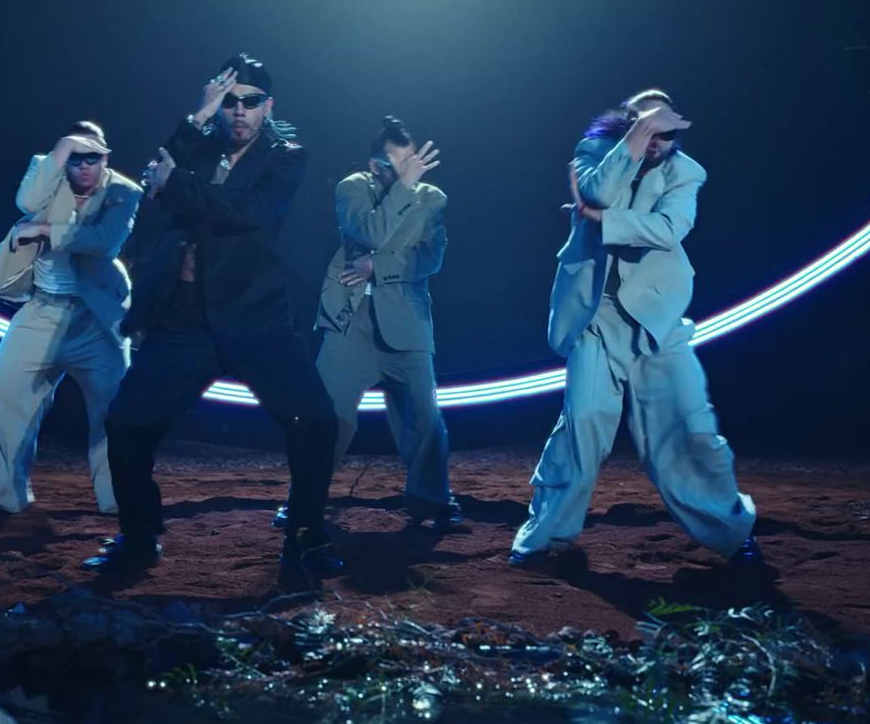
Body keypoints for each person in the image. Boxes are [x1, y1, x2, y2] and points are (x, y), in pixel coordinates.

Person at [93, 53, 343, 583]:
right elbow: (154, 179)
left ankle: (305, 535)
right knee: (125, 424)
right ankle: (138, 539)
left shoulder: (286, 155)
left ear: (268, 107)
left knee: (316, 422)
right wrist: (195, 116)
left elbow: (250, 211)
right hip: (185, 319)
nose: (239, 111)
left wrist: (177, 184)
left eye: (251, 102)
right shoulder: (201, 144)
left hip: (256, 316)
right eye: (229, 101)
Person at [512, 89, 760, 569]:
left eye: (667, 133)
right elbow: (598, 191)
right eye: (650, 129)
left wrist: (604, 222)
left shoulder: (687, 172)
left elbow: (668, 230)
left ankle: (731, 531)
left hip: (658, 319)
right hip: (594, 316)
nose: (659, 141)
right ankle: (546, 538)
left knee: (689, 429)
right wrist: (629, 149)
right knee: (581, 423)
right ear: (631, 126)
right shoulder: (593, 154)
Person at [0, 121, 143, 531]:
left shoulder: (123, 191)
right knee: (4, 391)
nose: (84, 167)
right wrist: (61, 148)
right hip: (41, 312)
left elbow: (102, 242)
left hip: (95, 318)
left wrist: (44, 229)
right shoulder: (48, 176)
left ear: (106, 157)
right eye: (75, 158)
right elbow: (25, 199)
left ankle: (118, 499)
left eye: (93, 158)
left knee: (113, 408)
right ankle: (6, 498)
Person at [300, 114, 459, 530]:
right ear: (376, 165)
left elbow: (431, 257)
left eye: (413, 165)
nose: (411, 173)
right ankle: (306, 497)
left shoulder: (434, 198)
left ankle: (432, 499)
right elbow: (370, 231)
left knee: (424, 417)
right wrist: (405, 187)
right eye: (400, 166)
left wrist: (379, 267)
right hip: (349, 321)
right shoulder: (352, 188)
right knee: (330, 417)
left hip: (406, 320)